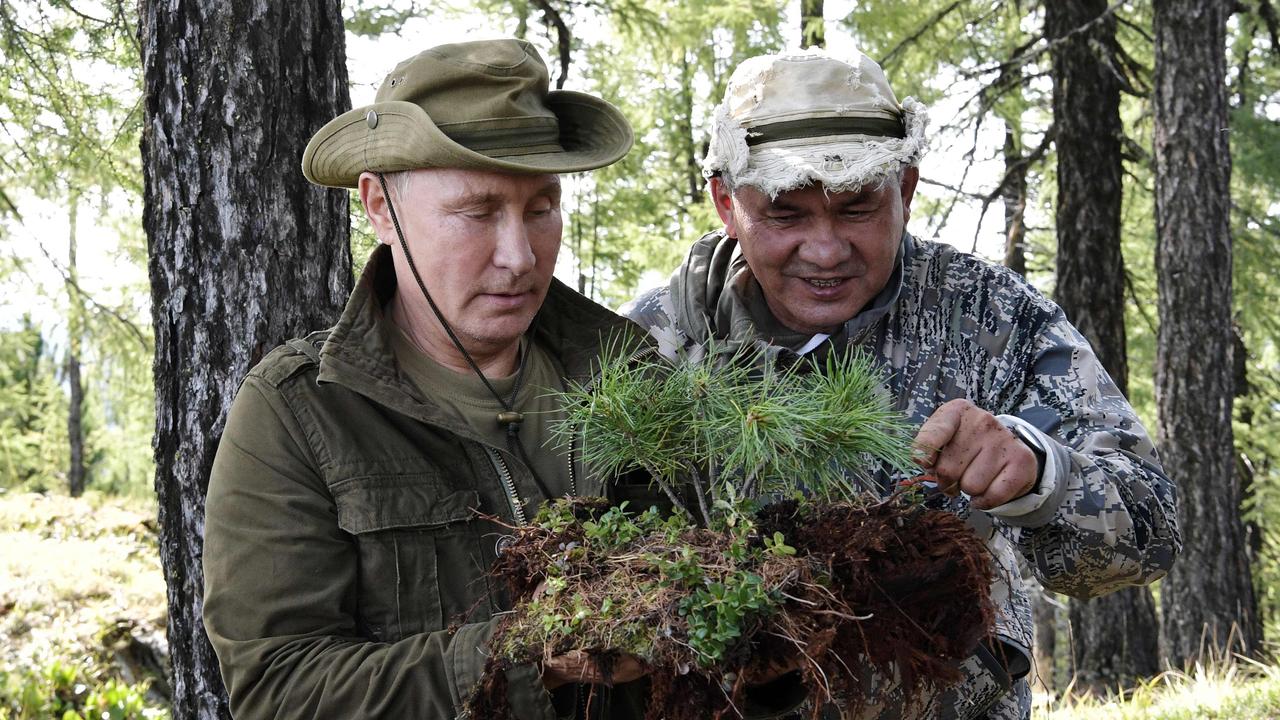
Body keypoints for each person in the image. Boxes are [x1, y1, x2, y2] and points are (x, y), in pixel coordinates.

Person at [622, 49, 1181, 719]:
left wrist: (1038, 473)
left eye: (857, 209)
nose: (825, 251)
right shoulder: (654, 345)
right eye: (787, 215)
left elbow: (1151, 530)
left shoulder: (990, 319)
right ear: (726, 204)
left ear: (907, 191)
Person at [202, 39, 670, 719]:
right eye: (477, 212)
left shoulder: (626, 372)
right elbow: (279, 688)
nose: (518, 256)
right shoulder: (301, 413)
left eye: (541, 207)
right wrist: (528, 655)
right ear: (380, 208)